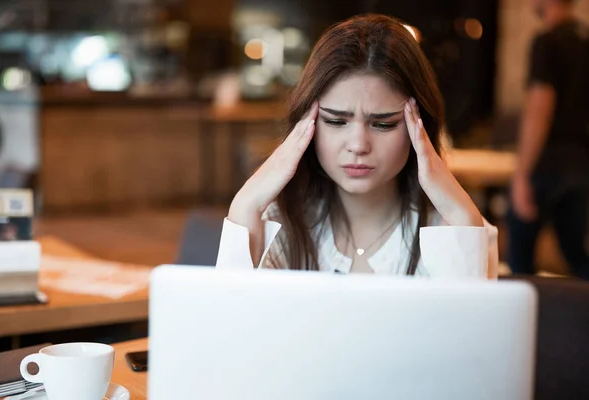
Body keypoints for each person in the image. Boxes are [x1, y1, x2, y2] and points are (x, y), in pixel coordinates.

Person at [216, 14, 498, 278]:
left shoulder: (463, 229)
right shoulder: (275, 225)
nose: (358, 145)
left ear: (420, 125)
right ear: (306, 124)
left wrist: (463, 219)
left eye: (383, 124)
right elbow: (231, 324)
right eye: (336, 122)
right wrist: (245, 203)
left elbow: (466, 330)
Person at [509, 0, 589, 279]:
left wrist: (521, 175)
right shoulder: (585, 41)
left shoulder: (547, 42)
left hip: (549, 162)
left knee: (518, 258)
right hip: (581, 162)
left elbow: (540, 109)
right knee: (577, 256)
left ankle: (523, 320)